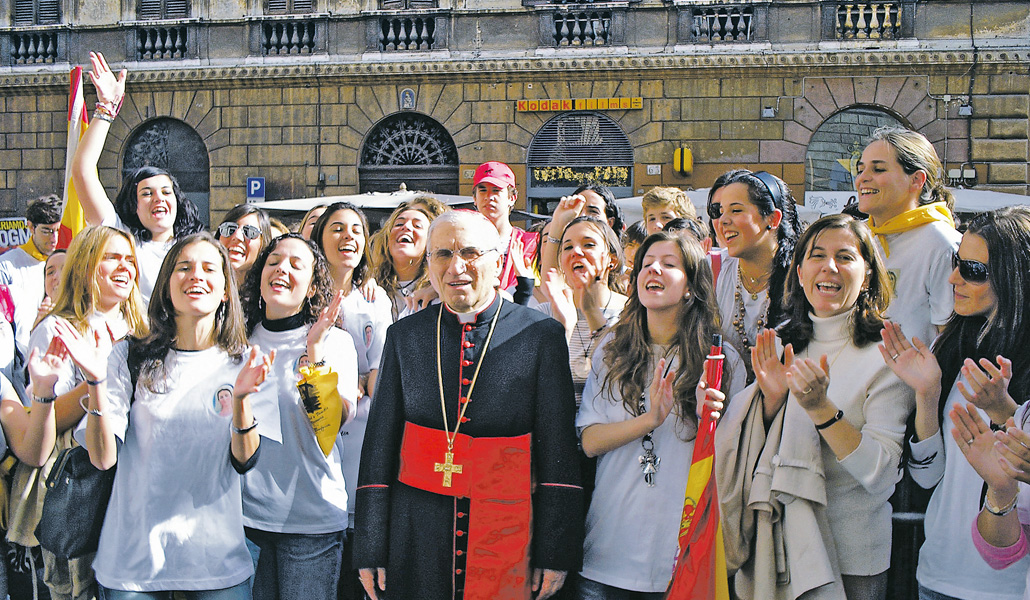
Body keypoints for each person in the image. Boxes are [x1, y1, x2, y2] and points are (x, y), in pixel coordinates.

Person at [354, 210, 583, 600]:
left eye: (471, 253)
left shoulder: (539, 335)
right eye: (442, 254)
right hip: (418, 530)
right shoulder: (404, 335)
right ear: (429, 264)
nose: (456, 267)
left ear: (498, 262)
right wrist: (371, 545)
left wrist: (555, 550)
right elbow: (379, 446)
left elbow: (558, 449)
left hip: (508, 530)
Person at [63, 231, 275, 598]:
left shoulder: (245, 362)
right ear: (165, 286)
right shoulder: (129, 356)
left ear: (226, 290)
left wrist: (240, 399)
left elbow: (245, 460)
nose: (196, 275)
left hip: (216, 565)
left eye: (210, 268)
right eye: (184, 267)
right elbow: (101, 458)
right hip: (133, 565)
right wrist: (96, 381)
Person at [718, 214, 913, 600]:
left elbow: (881, 475)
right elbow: (750, 448)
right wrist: (771, 402)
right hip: (777, 546)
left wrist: (821, 409)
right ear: (800, 271)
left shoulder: (888, 355)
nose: (830, 267)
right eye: (817, 255)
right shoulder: (779, 345)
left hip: (853, 555)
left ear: (869, 274)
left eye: (845, 256)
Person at [574, 231, 743, 597]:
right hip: (608, 554)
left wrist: (705, 421)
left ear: (690, 287)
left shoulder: (721, 361)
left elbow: (734, 459)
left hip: (685, 555)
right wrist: (649, 421)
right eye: (647, 264)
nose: (654, 270)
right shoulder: (611, 349)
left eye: (669, 264)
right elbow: (589, 441)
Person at [879, 207, 1030, 600]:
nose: (953, 278)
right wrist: (927, 395)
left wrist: (1006, 414)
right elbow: (929, 478)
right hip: (937, 572)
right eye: (955, 262)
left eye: (973, 270)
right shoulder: (955, 348)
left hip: (1006, 587)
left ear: (1015, 279)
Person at [14, 226, 148, 600]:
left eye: (129, 260)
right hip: (85, 490)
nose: (124, 267)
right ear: (87, 265)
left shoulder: (143, 327)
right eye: (111, 257)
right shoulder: (59, 328)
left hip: (138, 485)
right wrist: (97, 379)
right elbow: (48, 418)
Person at [239, 233, 358, 600]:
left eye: (296, 264)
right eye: (273, 261)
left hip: (312, 523)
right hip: (244, 522)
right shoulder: (238, 340)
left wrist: (313, 353)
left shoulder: (334, 342)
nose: (282, 270)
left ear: (311, 287)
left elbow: (327, 428)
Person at [70, 51, 204, 304]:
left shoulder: (196, 247)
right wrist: (106, 109)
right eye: (146, 193)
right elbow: (83, 171)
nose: (158, 199)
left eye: (166, 192)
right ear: (134, 204)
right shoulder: (122, 238)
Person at [308, 203, 392, 597]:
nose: (348, 237)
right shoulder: (303, 299)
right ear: (318, 240)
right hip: (314, 436)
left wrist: (360, 377)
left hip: (361, 437)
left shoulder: (375, 301)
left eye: (356, 230)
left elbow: (381, 377)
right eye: (337, 228)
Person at [855, 126, 960, 345]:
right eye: (860, 169)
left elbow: (949, 337)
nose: (862, 179)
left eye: (878, 170)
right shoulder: (858, 236)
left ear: (916, 180)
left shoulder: (941, 243)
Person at [706, 169, 801, 383]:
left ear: (773, 218)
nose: (723, 221)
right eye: (719, 211)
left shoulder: (803, 277)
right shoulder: (712, 269)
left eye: (736, 210)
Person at [538, 216, 627, 405]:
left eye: (588, 244)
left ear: (612, 260)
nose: (576, 252)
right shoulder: (543, 315)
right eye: (568, 247)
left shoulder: (631, 313)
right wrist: (564, 328)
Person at [0, 194, 63, 395]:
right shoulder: (8, 265)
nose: (53, 238)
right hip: (16, 369)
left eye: (57, 231)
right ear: (30, 227)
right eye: (47, 231)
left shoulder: (66, 264)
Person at [367, 197, 449, 320]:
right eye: (399, 224)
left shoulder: (443, 291)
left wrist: (439, 289)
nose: (406, 227)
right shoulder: (368, 285)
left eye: (417, 225)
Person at [470, 161, 538, 293]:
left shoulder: (529, 243)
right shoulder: (463, 242)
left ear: (512, 197)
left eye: (496, 190)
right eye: (482, 190)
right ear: (474, 198)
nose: (489, 197)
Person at [215, 204, 273, 287]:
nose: (237, 237)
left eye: (250, 232)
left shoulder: (270, 295)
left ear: (263, 242)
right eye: (229, 228)